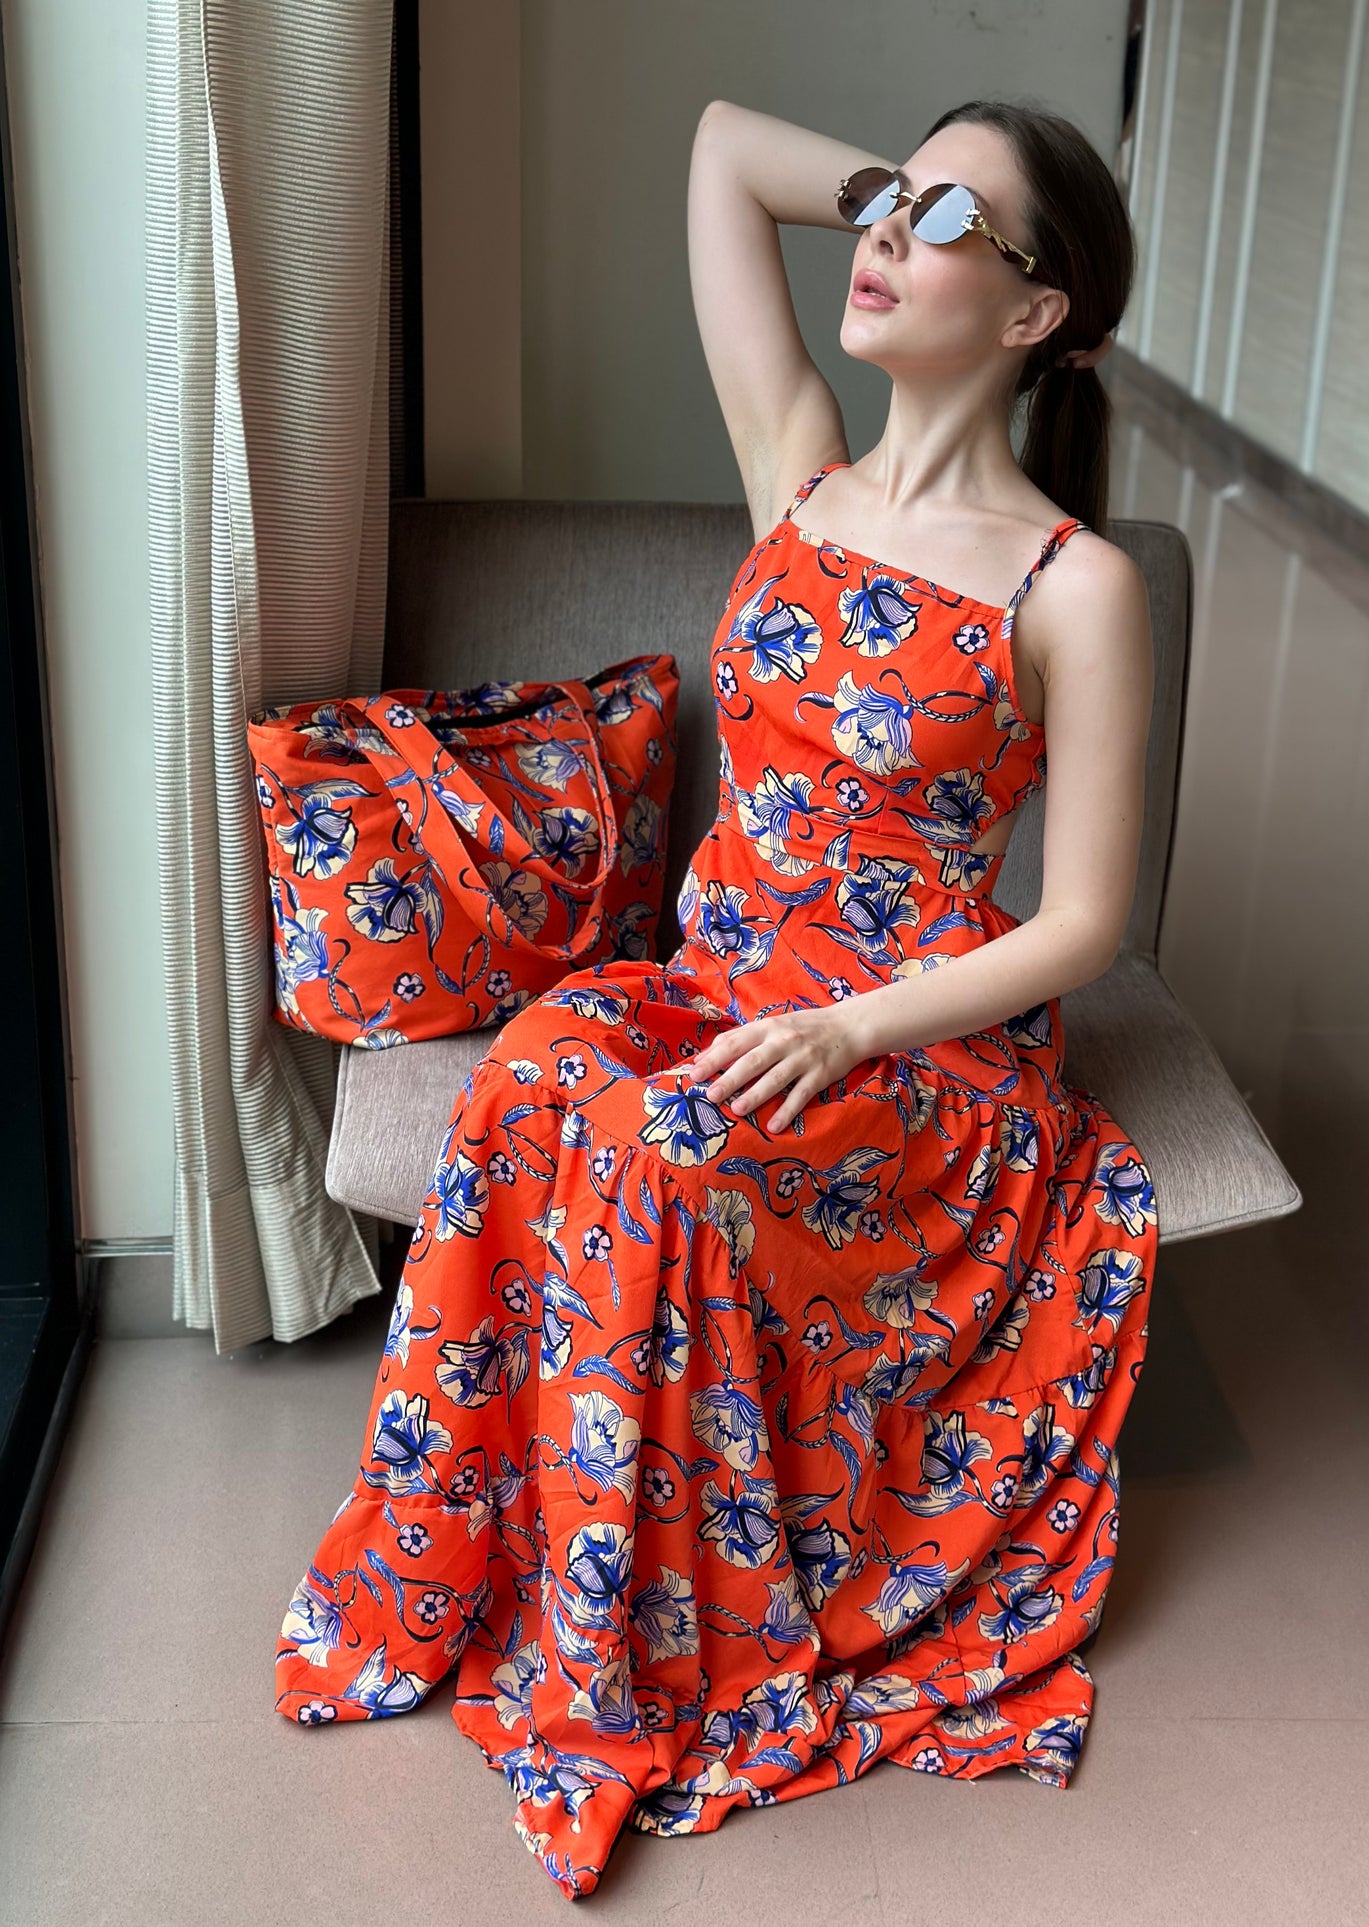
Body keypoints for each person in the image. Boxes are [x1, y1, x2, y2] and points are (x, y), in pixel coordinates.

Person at [274, 94, 1158, 1902]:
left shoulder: (1081, 585)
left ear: (1036, 313)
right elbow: (712, 150)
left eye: (942, 225)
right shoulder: (799, 470)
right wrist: (897, 190)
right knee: (531, 1077)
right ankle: (503, 1569)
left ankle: (645, 1648)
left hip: (918, 1064)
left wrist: (851, 1028)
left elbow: (1080, 926)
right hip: (720, 986)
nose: (883, 242)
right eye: (883, 206)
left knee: (666, 1157)